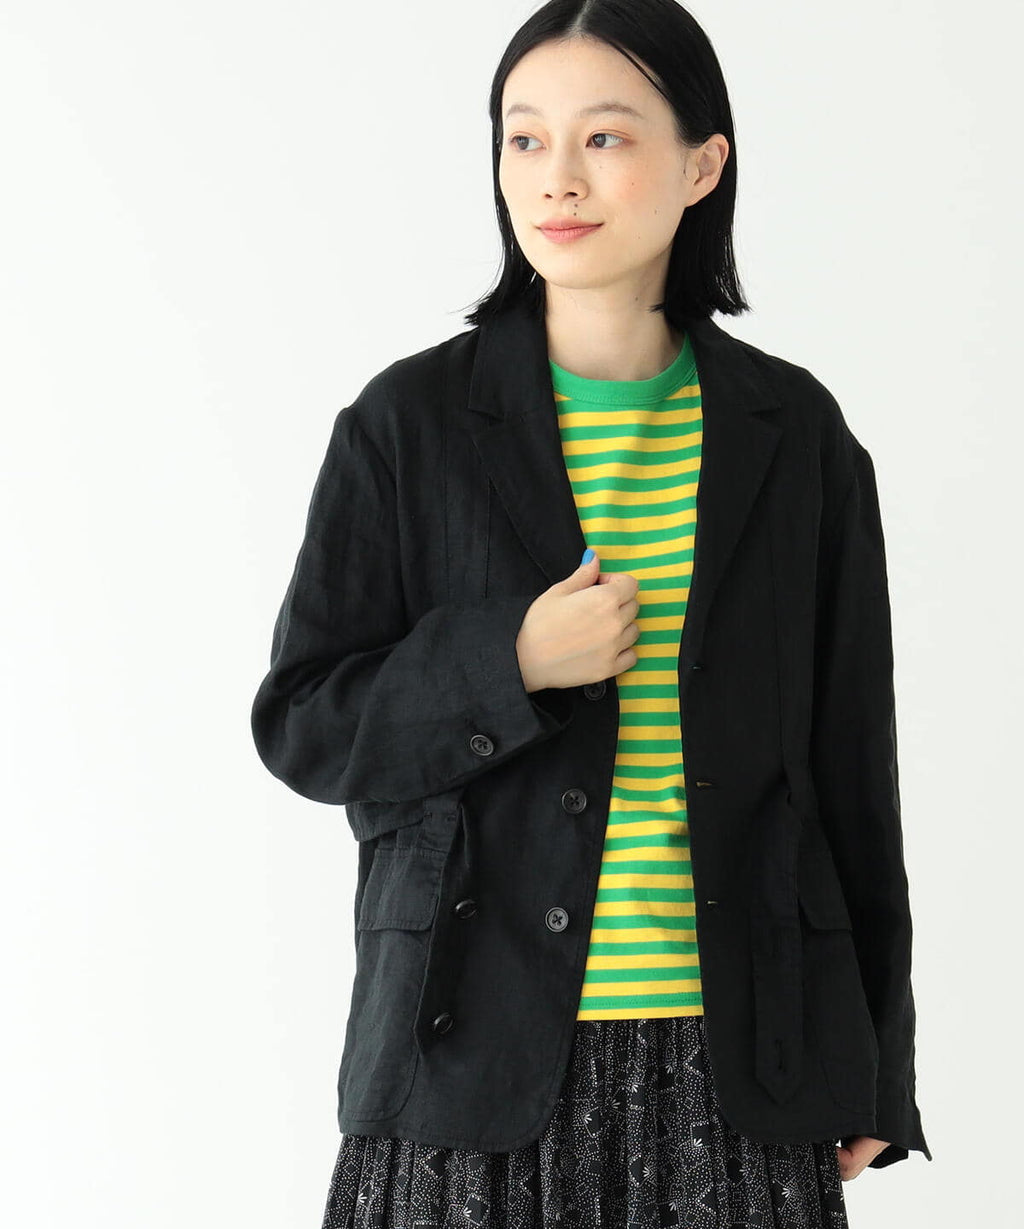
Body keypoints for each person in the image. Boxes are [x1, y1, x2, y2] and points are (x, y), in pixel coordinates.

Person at [250, 1, 931, 1225]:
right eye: (524, 139)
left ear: (702, 164)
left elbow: (850, 771)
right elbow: (304, 723)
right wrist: (506, 660)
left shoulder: (794, 434)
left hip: (742, 1066)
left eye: (604, 138)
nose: (555, 176)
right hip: (465, 1057)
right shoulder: (408, 425)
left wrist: (879, 1058)